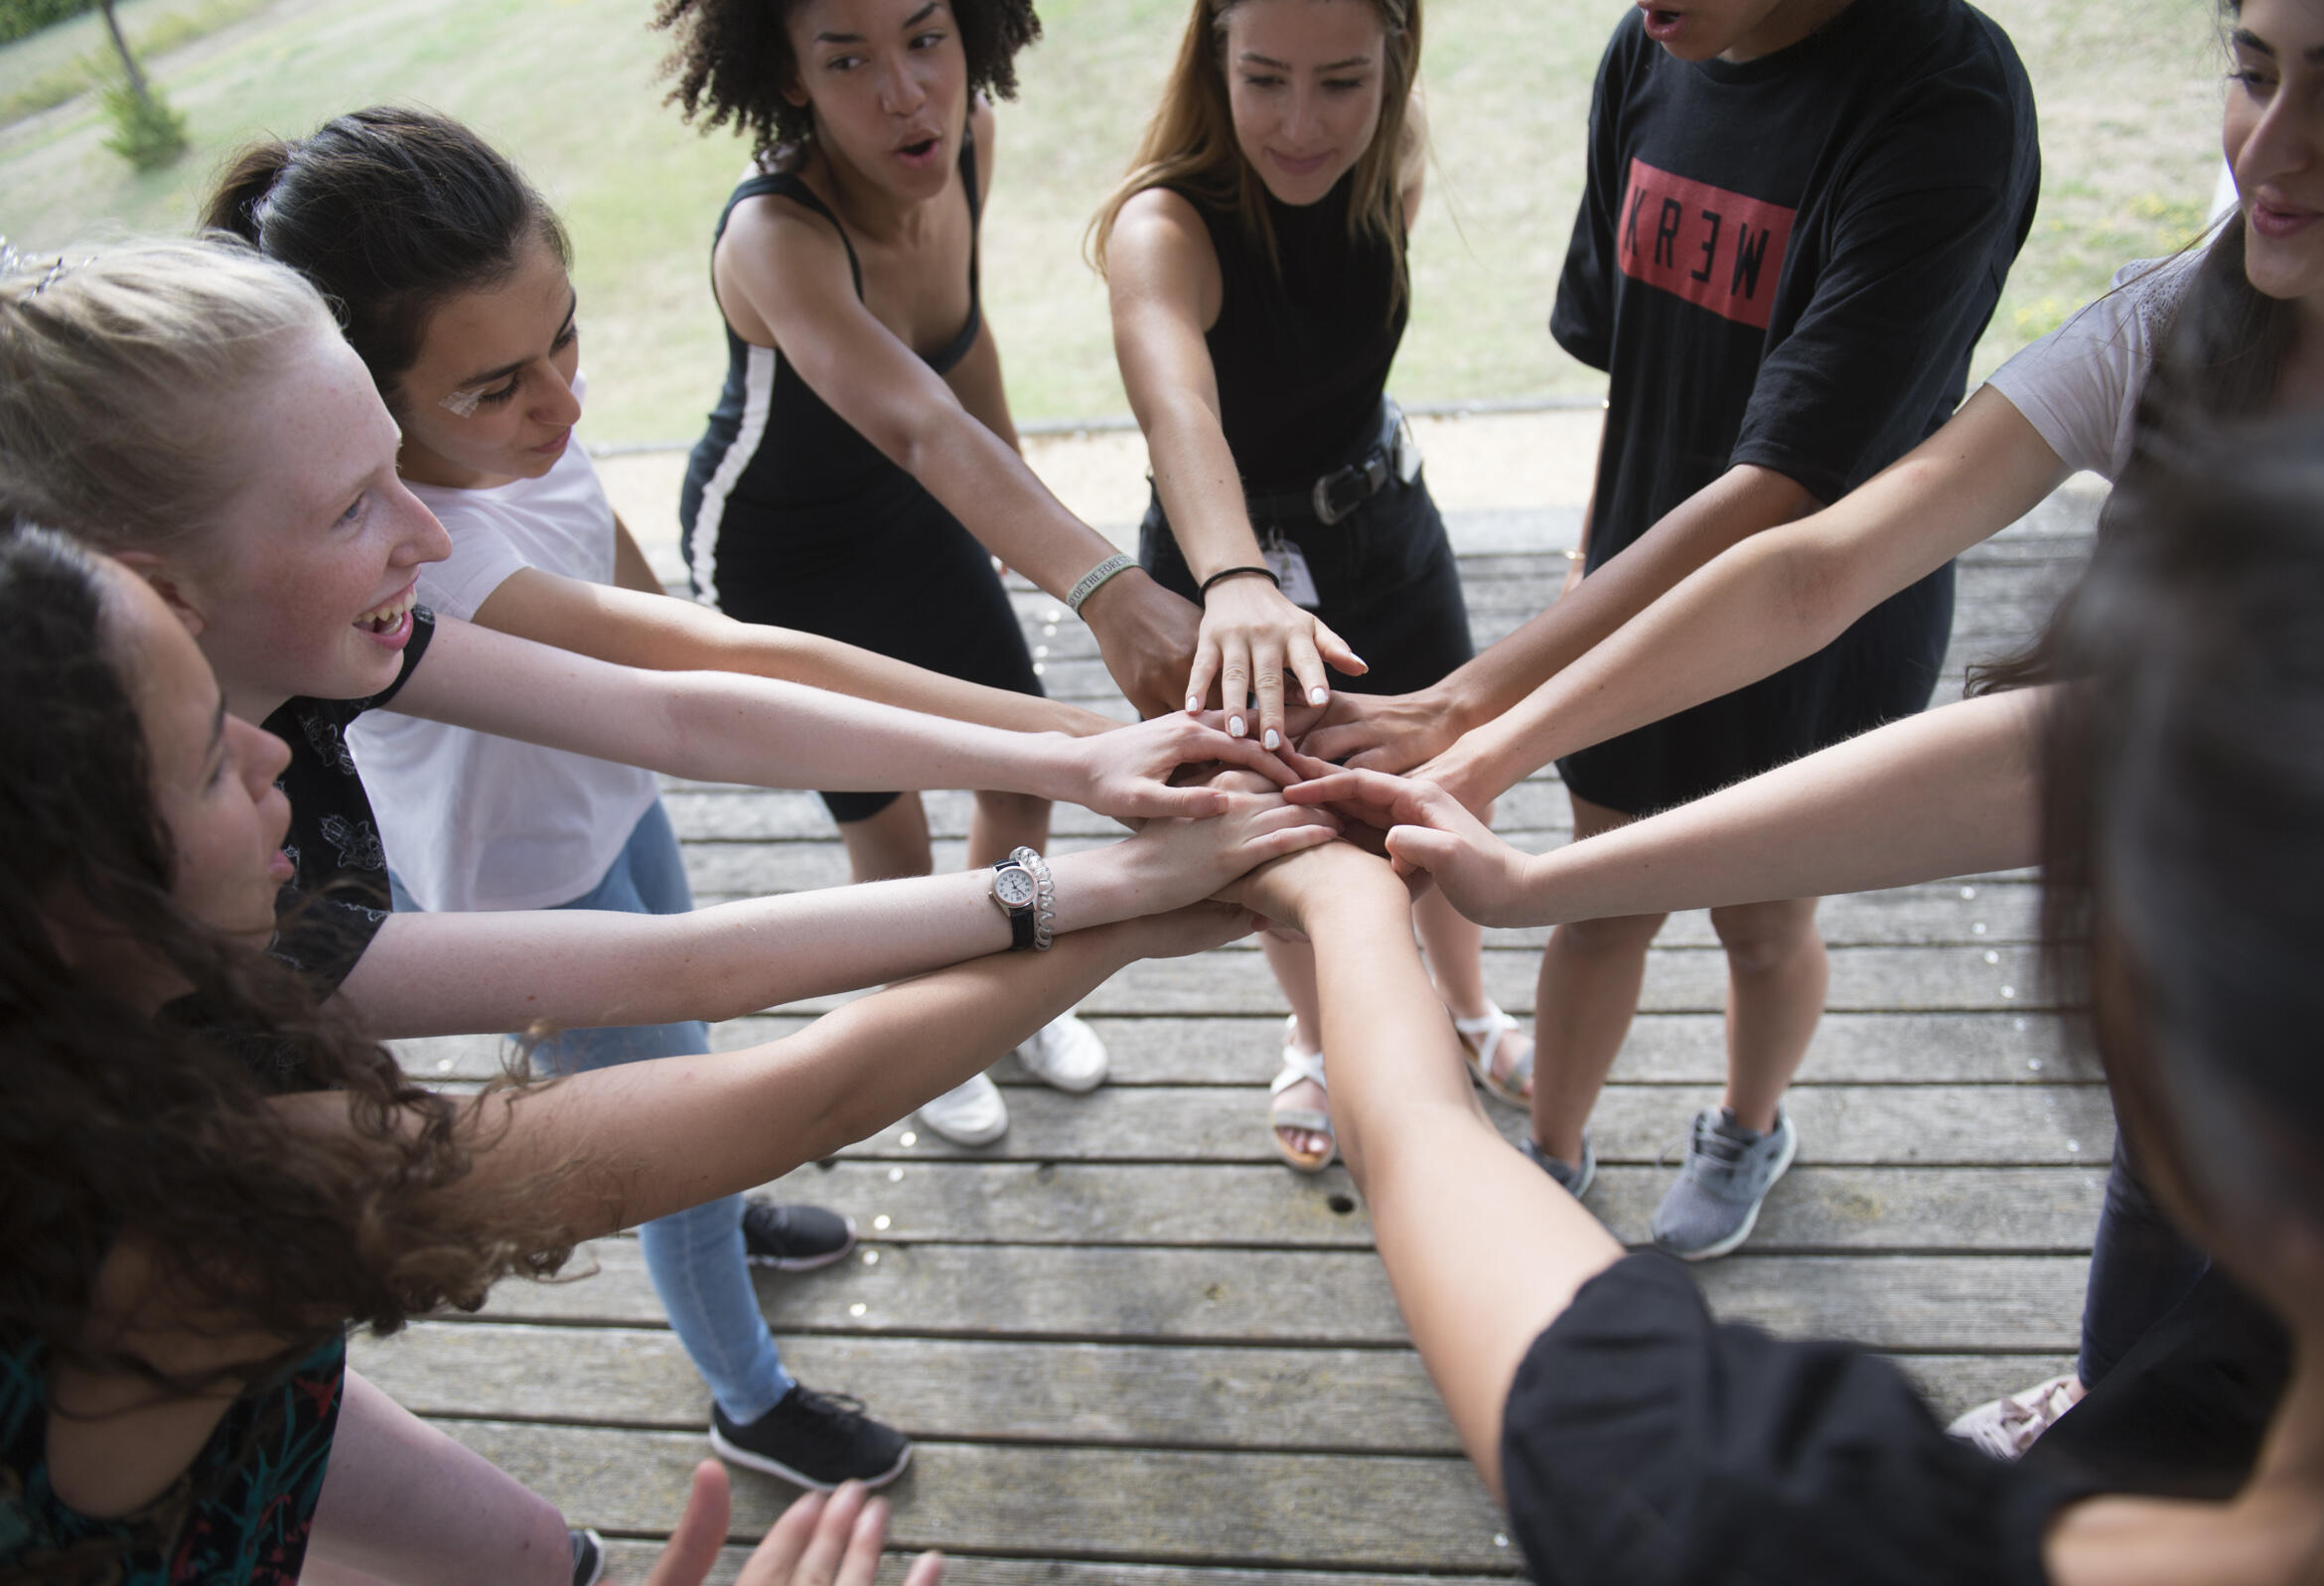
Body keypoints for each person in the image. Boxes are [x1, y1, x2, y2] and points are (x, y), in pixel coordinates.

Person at [0, 235, 1333, 1509]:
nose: (430, 532)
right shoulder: (186, 1098)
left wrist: (1079, 768)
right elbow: (727, 1031)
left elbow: (685, 711)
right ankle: (748, 1398)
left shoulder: (239, 703)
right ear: (159, 593)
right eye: (357, 503)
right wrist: (1112, 898)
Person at [1302, 0, 2324, 1436]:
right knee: (2157, 1220)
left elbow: (2042, 754)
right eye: (2251, 72)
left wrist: (1533, 856)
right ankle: (2107, 1400)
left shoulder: (1942, 95)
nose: (2270, 148)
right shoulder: (2179, 315)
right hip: (2183, 970)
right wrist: (1479, 732)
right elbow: (1817, 570)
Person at [1240, 393, 2324, 1582]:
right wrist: (1532, 882)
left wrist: (1347, 903)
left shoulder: (1812, 1531)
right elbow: (2036, 760)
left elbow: (1425, 1145)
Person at [0, 523, 1263, 1584]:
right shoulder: (169, 1231)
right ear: (68, 894)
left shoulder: (106, 1035)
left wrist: (1109, 880)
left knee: (536, 1555)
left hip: (263, 1430)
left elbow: (693, 954)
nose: (275, 751)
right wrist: (1124, 907)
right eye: (209, 762)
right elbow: (790, 1093)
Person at [199, 103, 1147, 1491]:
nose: (563, 404)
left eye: (566, 337)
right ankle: (747, 1398)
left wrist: (1062, 744)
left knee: (682, 1053)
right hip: (524, 880)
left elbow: (650, 606)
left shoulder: (515, 440)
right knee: (680, 1131)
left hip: (608, 805)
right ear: (366, 400)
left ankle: (723, 1210)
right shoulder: (428, 555)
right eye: (497, 386)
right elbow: (701, 674)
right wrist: (1069, 741)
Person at [1296, 0, 2037, 1249]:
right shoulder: (1652, 47)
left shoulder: (1943, 94)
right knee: (1597, 896)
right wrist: (1593, 560)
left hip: (1827, 618)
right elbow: (1632, 362)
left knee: (1763, 915)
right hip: (1633, 589)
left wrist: (1471, 703)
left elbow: (1788, 487)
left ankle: (1751, 1125)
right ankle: (1553, 1152)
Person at [656, 0, 1207, 1144]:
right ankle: (923, 1029)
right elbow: (918, 424)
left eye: (924, 39)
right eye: (847, 59)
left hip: (916, 511)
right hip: (781, 553)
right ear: (791, 78)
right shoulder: (774, 235)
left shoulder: (969, 141)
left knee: (1025, 772)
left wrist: (1022, 521)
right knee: (890, 822)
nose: (905, 93)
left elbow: (961, 350)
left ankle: (1004, 986)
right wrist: (1103, 586)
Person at [1088, 0, 1530, 1172]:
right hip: (1227, 569)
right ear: (1213, 57)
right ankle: (1322, 1034)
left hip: (1384, 529)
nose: (1301, 125)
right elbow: (1177, 408)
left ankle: (1468, 1003)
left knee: (1445, 794)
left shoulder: (1391, 156)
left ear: (1395, 59)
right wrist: (1236, 574)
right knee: (1289, 825)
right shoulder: (1162, 226)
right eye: (1264, 78)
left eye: (1341, 81)